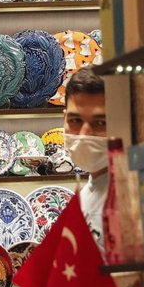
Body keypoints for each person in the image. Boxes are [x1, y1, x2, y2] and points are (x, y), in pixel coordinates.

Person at [63, 68, 111, 245]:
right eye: (75, 121)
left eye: (100, 123)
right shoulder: (85, 195)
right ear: (64, 119)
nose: (84, 134)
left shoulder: (130, 200)